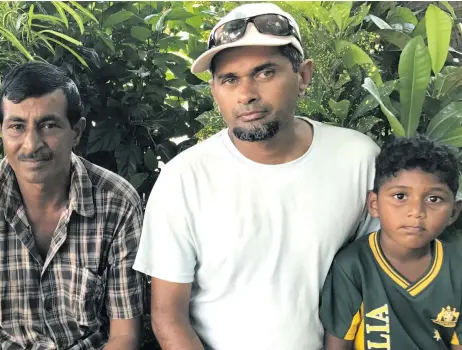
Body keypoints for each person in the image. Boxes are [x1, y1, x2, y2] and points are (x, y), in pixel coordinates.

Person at [133, 3, 380, 349]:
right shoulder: (183, 178)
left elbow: (379, 281)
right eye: (229, 79)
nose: (246, 94)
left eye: (265, 73)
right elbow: (168, 316)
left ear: (304, 76)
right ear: (215, 91)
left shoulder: (357, 159)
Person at [0, 61, 144, 350]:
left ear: (77, 131)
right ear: (0, 130)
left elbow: (125, 335)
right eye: (17, 127)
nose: (31, 144)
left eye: (48, 125)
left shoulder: (117, 203)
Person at [320, 136, 462, 350]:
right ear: (374, 204)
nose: (416, 212)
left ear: (453, 212)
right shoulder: (353, 267)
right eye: (400, 196)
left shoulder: (456, 263)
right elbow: (338, 344)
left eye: (433, 199)